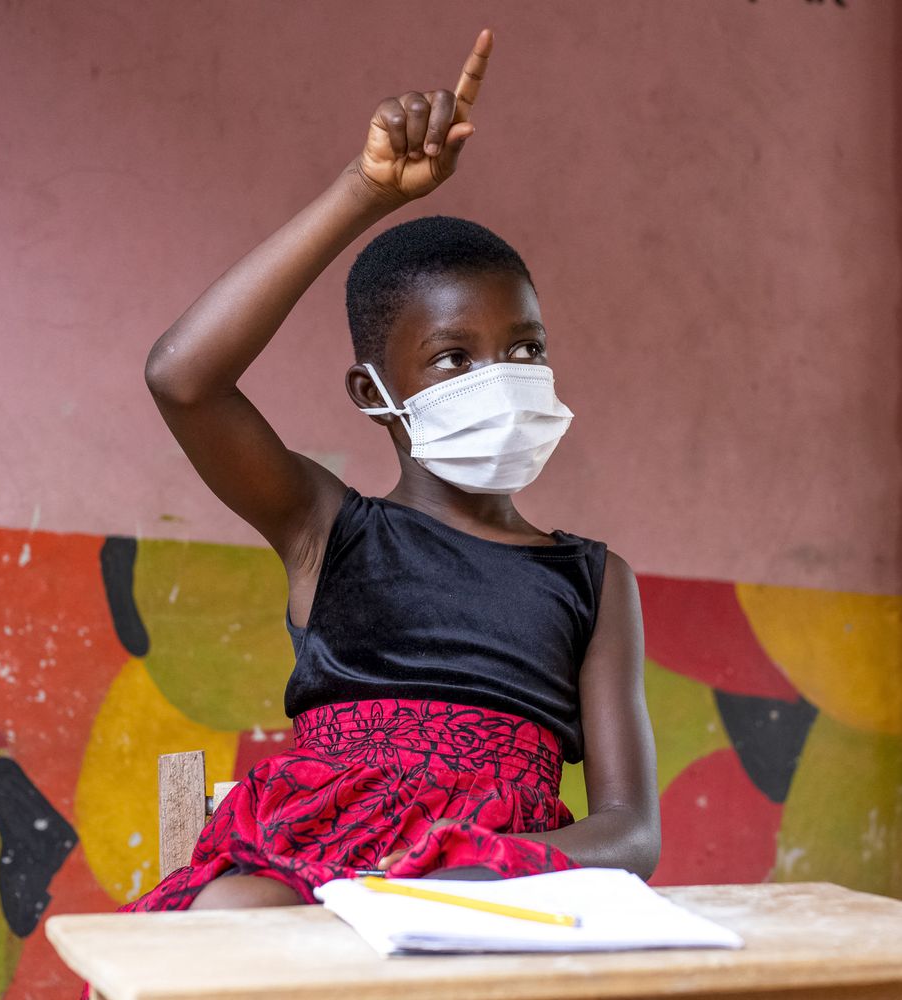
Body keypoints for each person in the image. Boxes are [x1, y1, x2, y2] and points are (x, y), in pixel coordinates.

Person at [128, 28, 659, 913]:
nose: (500, 376)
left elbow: (629, 835)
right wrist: (363, 192)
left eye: (525, 348)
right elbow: (182, 378)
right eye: (454, 358)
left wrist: (431, 888)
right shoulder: (324, 530)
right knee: (226, 920)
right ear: (372, 392)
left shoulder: (596, 583)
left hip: (494, 888)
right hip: (310, 877)